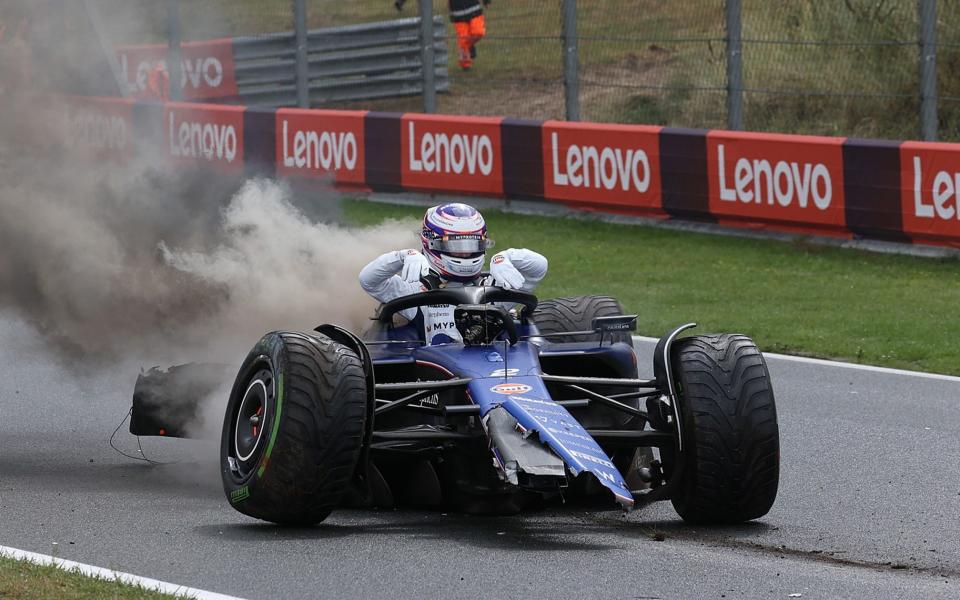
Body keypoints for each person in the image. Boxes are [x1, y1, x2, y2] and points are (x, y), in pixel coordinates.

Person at [359, 203, 547, 345]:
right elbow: (369, 281)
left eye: (474, 245)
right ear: (431, 244)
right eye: (457, 247)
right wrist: (401, 256)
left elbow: (539, 268)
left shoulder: (497, 284)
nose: (466, 254)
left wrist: (507, 257)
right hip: (438, 386)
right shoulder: (415, 290)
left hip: (501, 374)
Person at [395, 0, 491, 70]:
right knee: (463, 38)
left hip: (474, 8)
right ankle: (465, 64)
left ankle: (469, 46)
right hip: (457, 11)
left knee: (478, 32)